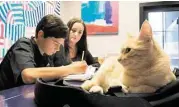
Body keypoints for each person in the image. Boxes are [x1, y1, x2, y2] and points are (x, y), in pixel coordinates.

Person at [0, 14, 88, 90]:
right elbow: (28, 75)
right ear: (41, 35)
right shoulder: (23, 45)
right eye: (55, 43)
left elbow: (62, 67)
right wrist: (70, 69)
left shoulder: (48, 52)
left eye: (60, 44)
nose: (57, 49)